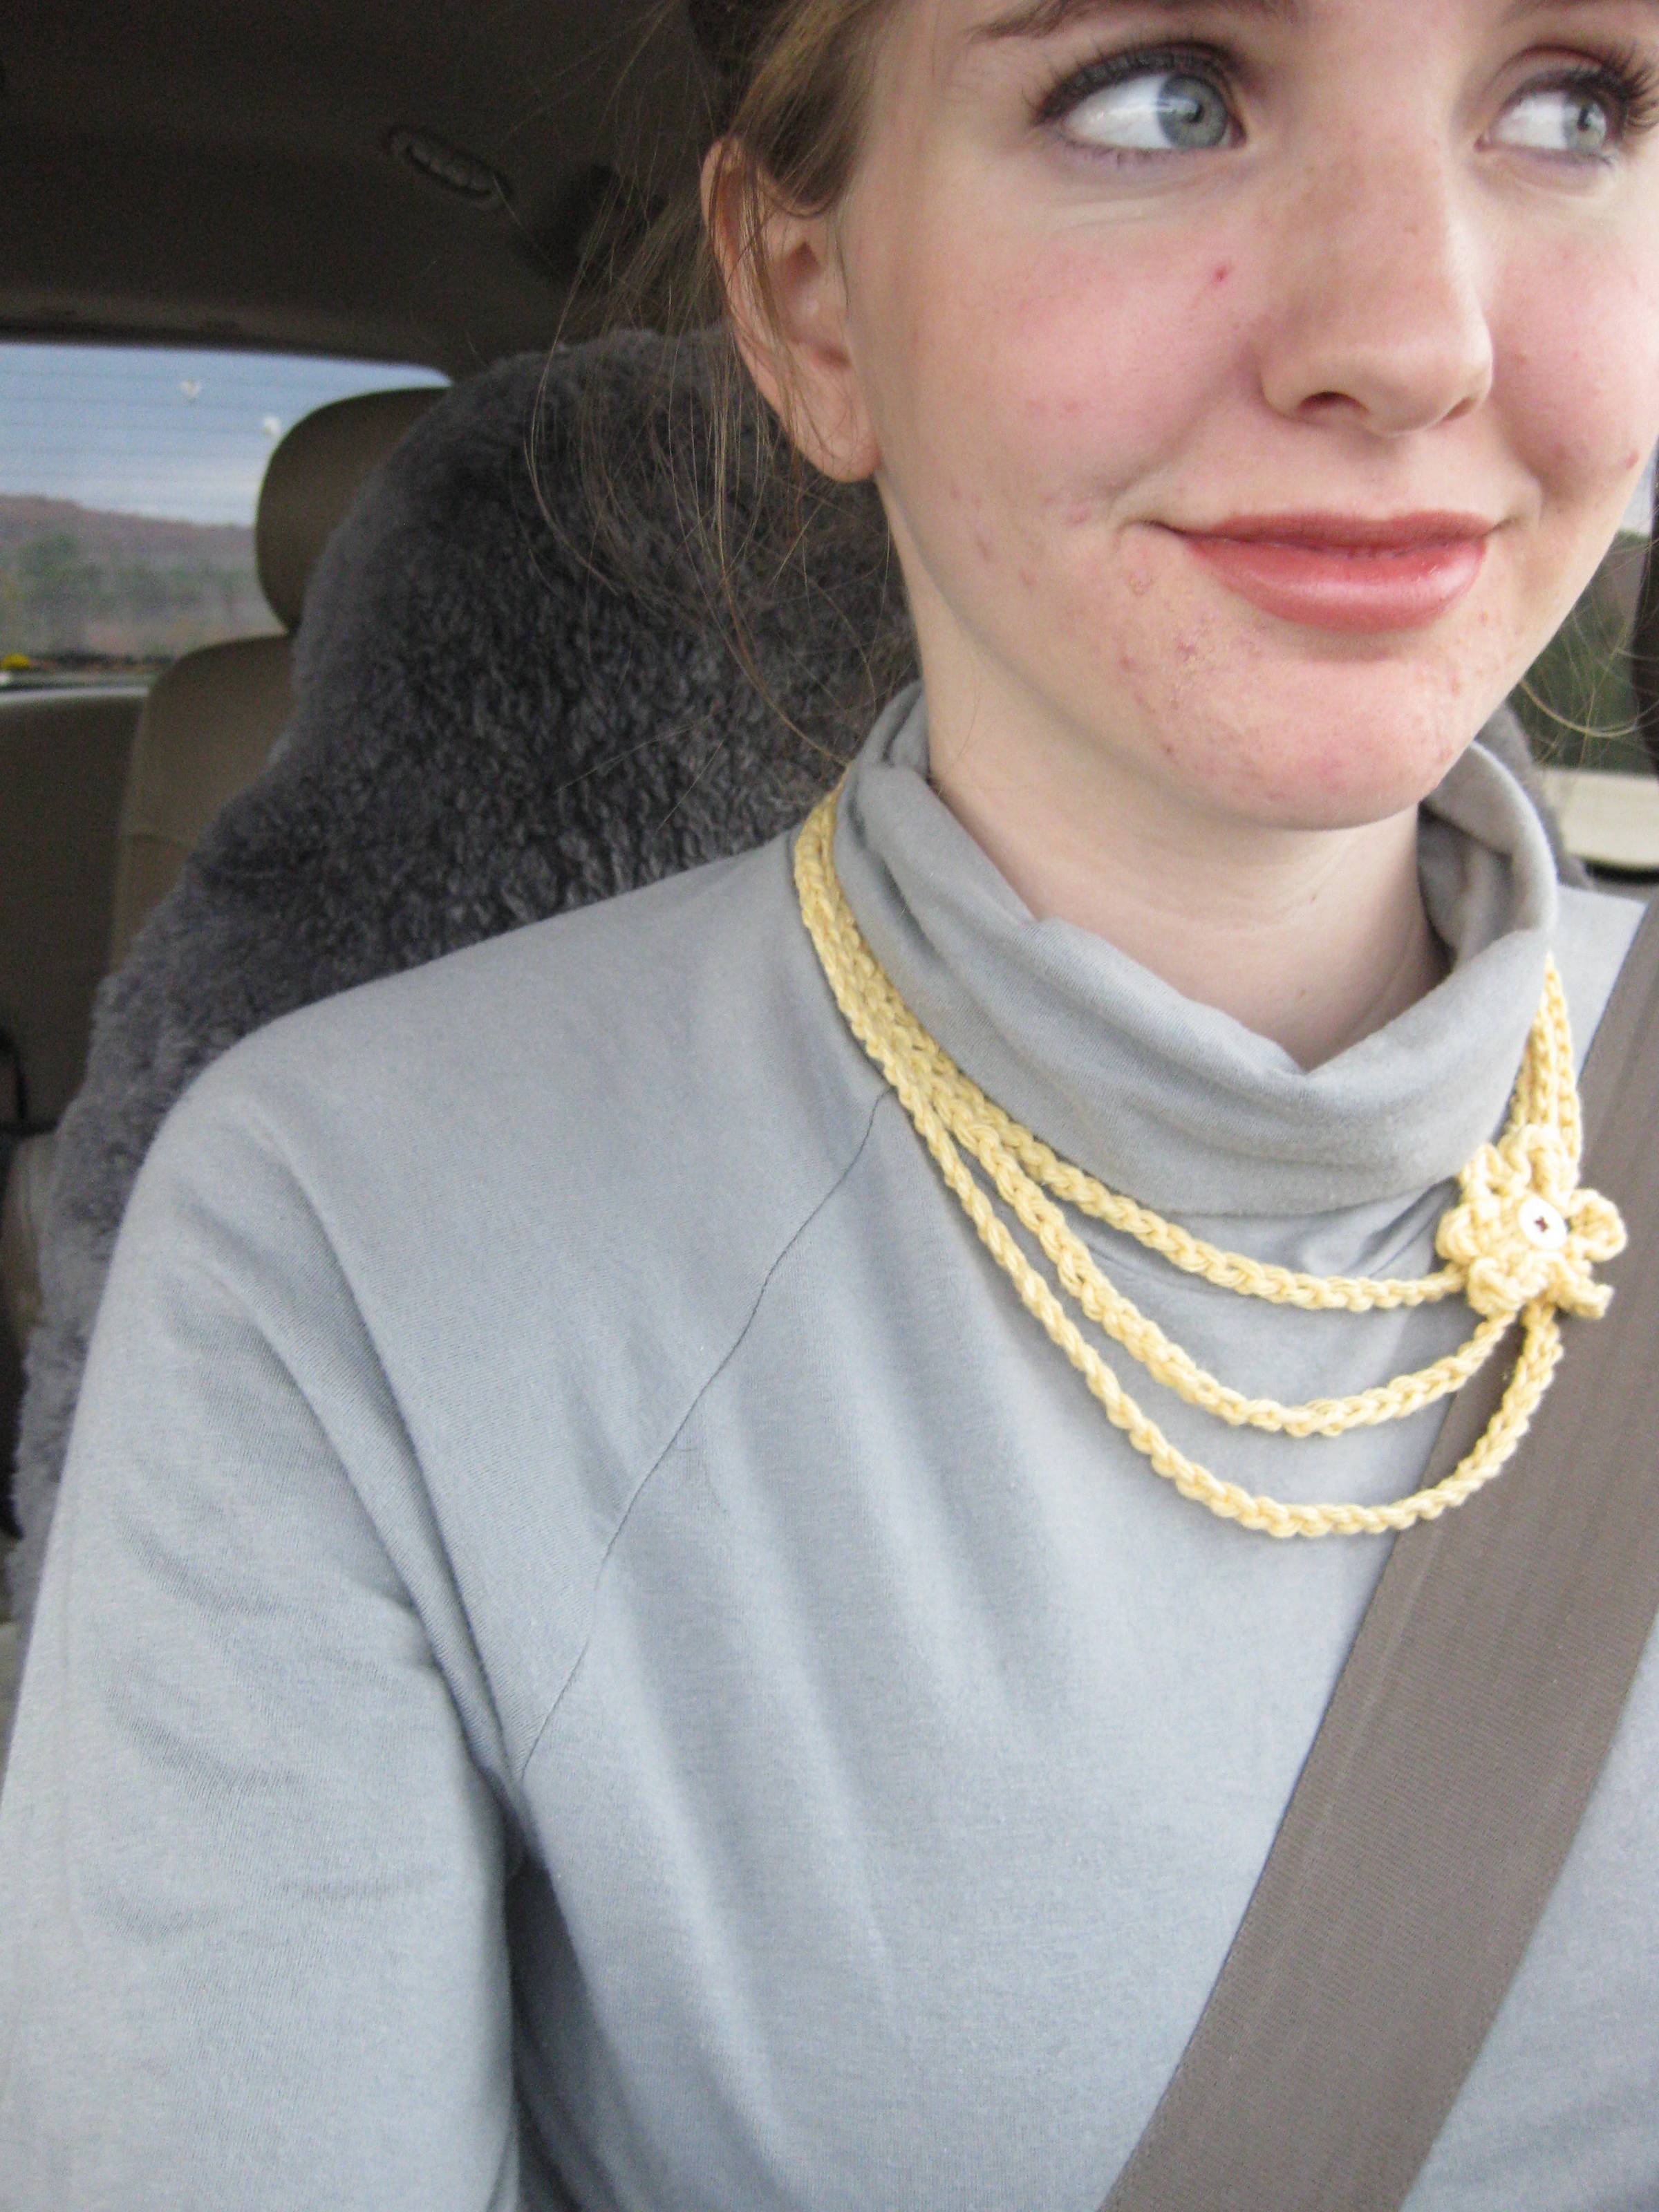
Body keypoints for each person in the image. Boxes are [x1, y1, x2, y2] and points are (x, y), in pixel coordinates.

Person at [2, 0, 1657, 2204]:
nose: (1414, 340)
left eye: (1575, 103)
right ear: (811, 307)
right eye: (1161, 96)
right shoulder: (337, 1244)